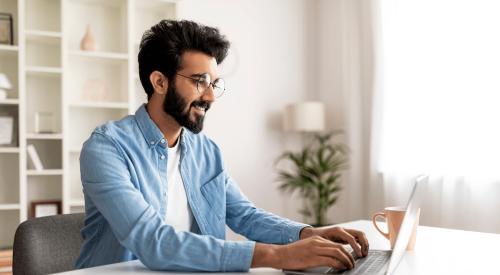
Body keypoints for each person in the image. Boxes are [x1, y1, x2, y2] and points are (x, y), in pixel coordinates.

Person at [75, 19, 369, 272]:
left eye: (214, 84)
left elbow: (243, 215)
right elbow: (151, 241)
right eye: (200, 81)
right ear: (159, 82)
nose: (211, 97)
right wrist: (277, 255)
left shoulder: (205, 151)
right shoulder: (106, 149)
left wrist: (307, 233)